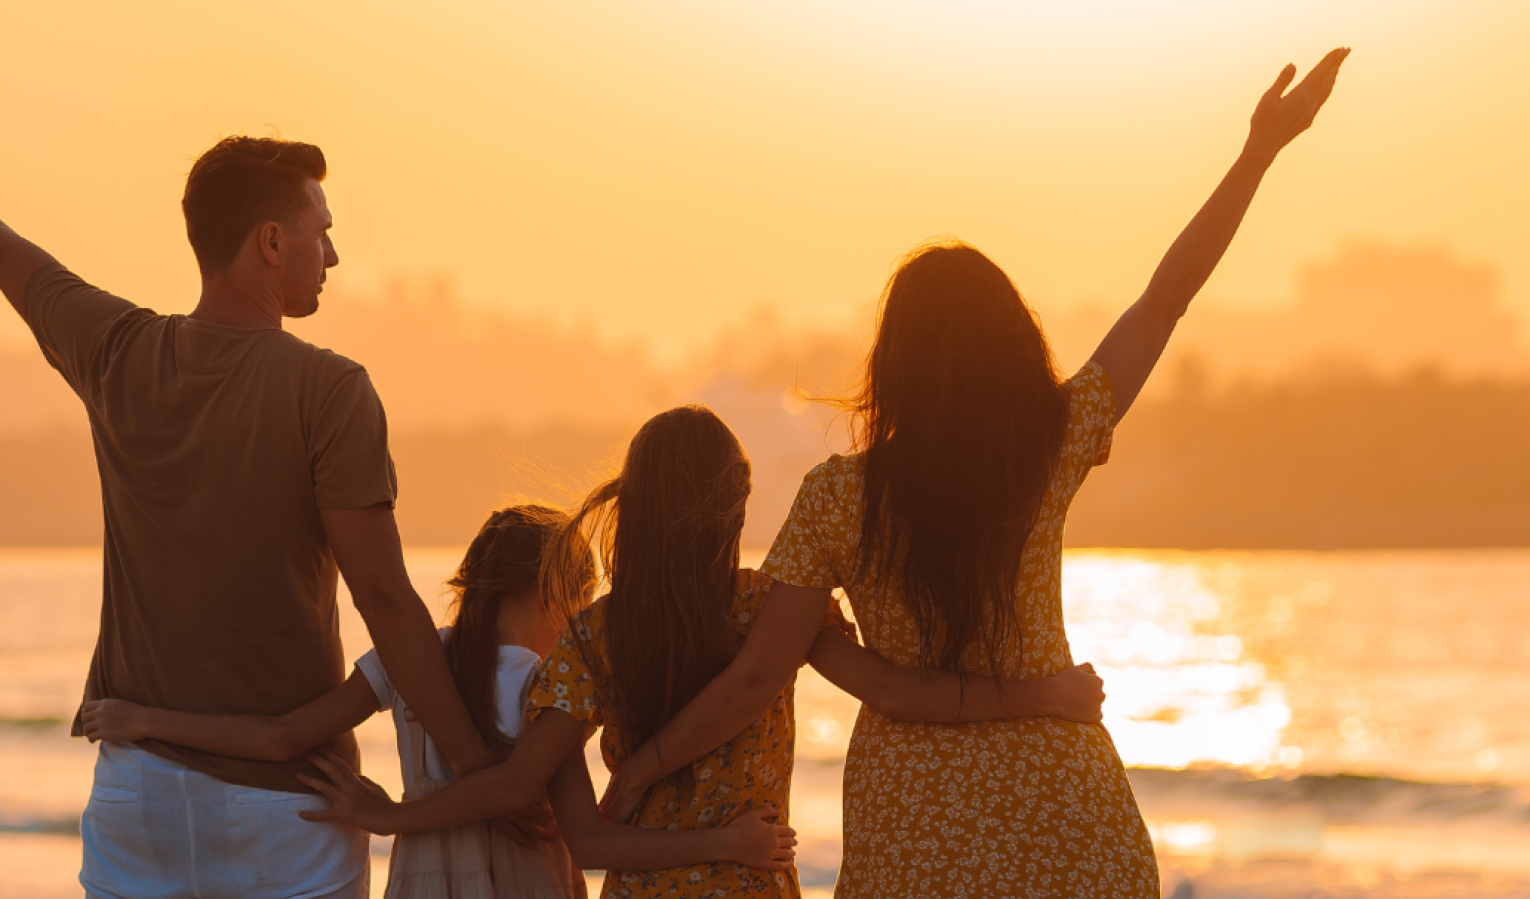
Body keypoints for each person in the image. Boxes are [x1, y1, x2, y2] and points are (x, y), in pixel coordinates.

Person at [591, 49, 1352, 898]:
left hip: (914, 828)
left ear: (898, 360)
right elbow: (1165, 297)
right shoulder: (1046, 450)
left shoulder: (839, 498)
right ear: (1009, 346)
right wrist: (1259, 152)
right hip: (1066, 811)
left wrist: (642, 768)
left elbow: (756, 677)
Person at [297, 405, 1108, 898]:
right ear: (733, 507)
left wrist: (394, 816)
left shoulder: (592, 637)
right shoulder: (774, 612)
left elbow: (572, 828)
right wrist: (1043, 694)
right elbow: (897, 692)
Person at [0, 136, 519, 898]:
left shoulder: (116, 350)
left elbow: (19, 263)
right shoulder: (329, 389)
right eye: (322, 230)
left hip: (134, 798)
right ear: (271, 243)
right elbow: (382, 596)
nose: (333, 255)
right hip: (286, 816)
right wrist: (484, 775)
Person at [82, 504, 605, 897]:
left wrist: (146, 719)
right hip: (530, 875)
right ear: (554, 594)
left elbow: (280, 737)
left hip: (422, 878)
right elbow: (554, 805)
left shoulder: (410, 656)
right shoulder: (550, 682)